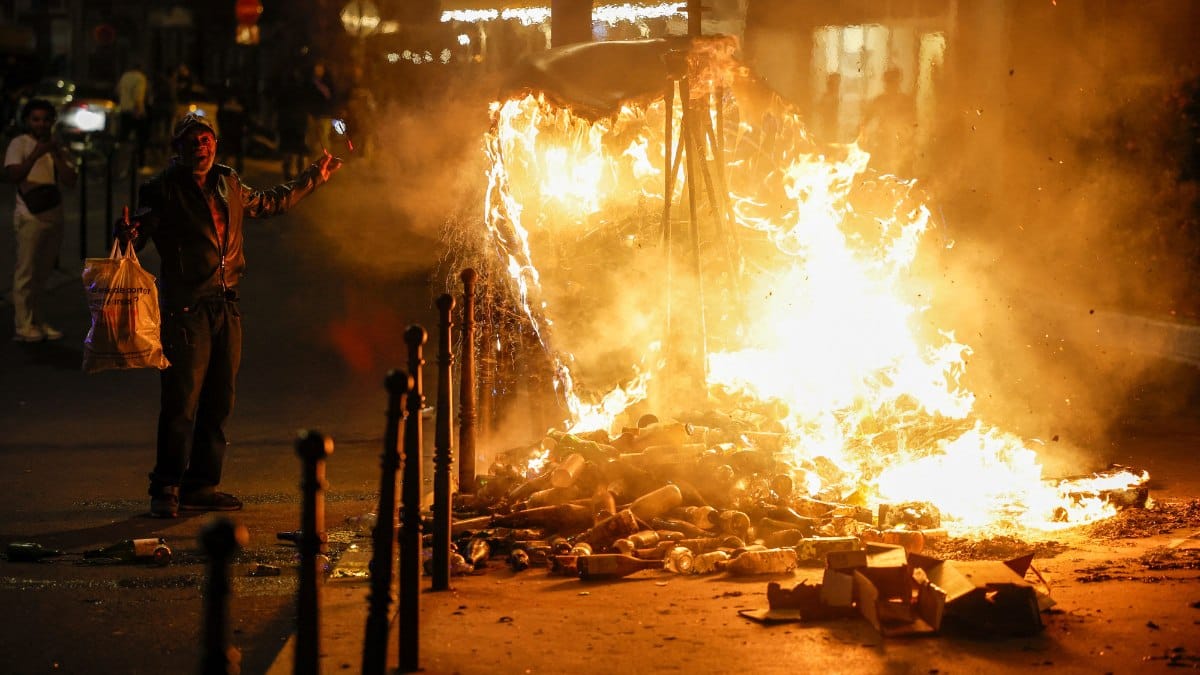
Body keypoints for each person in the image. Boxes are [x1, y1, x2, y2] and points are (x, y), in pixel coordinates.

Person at [116, 113, 342, 517]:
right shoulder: (162, 188)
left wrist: (314, 177)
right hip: (185, 308)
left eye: (205, 139)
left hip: (226, 305)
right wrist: (129, 232)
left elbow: (269, 203)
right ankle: (166, 486)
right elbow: (142, 230)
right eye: (191, 141)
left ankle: (201, 484)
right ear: (177, 148)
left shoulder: (229, 181)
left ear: (215, 144)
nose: (200, 147)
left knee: (220, 399)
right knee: (182, 400)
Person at [4, 98, 77, 342]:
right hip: (30, 214)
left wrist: (55, 154)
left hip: (53, 214)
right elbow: (14, 174)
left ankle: (38, 320)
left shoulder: (57, 147)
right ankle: (23, 325)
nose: (41, 124)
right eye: (36, 119)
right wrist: (36, 154)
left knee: (43, 273)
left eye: (46, 119)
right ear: (27, 121)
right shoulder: (19, 143)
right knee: (26, 271)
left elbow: (70, 179)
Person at [860, 67, 916, 175]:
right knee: (882, 171)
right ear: (885, 82)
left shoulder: (905, 101)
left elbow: (912, 123)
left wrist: (909, 140)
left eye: (893, 81)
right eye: (889, 81)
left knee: (901, 172)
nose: (890, 85)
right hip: (883, 142)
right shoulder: (880, 101)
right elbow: (865, 121)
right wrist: (864, 136)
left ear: (898, 82)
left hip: (901, 143)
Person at [116, 61, 150, 172]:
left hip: (124, 109)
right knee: (142, 138)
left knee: (123, 138)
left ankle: (121, 164)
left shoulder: (125, 76)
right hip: (135, 111)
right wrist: (139, 110)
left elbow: (118, 90)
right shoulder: (140, 78)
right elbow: (138, 95)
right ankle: (141, 165)